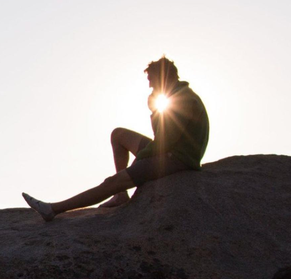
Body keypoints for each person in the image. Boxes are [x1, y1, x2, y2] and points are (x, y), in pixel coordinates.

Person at [22, 57, 209, 222]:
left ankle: (53, 209)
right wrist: (154, 111)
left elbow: (163, 143)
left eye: (152, 82)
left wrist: (139, 161)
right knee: (118, 134)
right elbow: (161, 136)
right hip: (170, 149)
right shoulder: (177, 95)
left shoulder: (182, 99)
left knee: (112, 182)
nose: (151, 87)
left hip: (177, 158)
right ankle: (121, 195)